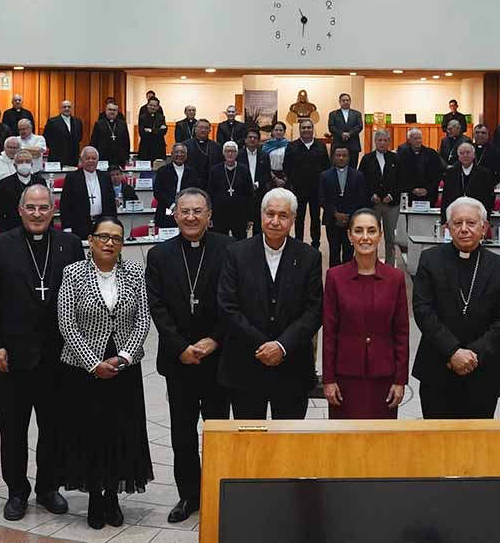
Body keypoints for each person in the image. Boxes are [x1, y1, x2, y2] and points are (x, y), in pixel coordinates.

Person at [0, 184, 83, 521]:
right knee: (13, 429)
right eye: (31, 208)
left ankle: (49, 487)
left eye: (43, 208)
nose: (37, 214)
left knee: (54, 428)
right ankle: (16, 491)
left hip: (58, 358)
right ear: (20, 210)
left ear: (53, 211)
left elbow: (81, 301)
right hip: (10, 358)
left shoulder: (69, 245)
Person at [57, 216, 153, 530]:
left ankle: (112, 494)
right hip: (84, 372)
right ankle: (95, 497)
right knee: (90, 433)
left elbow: (143, 321)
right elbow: (66, 324)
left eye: (116, 238)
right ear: (91, 239)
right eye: (103, 236)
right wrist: (93, 363)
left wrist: (124, 357)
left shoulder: (136, 273)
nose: (109, 243)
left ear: (123, 244)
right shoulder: (73, 273)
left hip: (124, 370)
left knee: (120, 433)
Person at [145, 188, 233, 524]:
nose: (191, 217)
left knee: (217, 429)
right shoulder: (159, 255)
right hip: (178, 360)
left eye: (198, 211)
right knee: (182, 432)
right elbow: (157, 306)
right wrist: (180, 346)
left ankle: (217, 490)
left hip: (217, 358)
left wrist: (213, 340)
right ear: (175, 214)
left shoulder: (228, 249)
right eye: (185, 211)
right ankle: (188, 495)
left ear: (210, 215)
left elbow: (232, 302)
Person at [217, 188, 323, 419]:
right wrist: (265, 345)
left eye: (283, 215)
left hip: (292, 366)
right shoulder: (236, 253)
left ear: (294, 219)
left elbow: (314, 310)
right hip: (245, 364)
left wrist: (282, 346)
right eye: (270, 214)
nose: (275, 221)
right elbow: (227, 307)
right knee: (250, 444)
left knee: (288, 446)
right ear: (261, 214)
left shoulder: (309, 257)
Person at [413, 196, 500, 418]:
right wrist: (452, 351)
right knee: (437, 446)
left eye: (471, 223)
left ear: (484, 227)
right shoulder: (430, 260)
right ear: (448, 227)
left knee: (477, 449)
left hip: (483, 372)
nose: (464, 229)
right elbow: (423, 311)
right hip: (437, 369)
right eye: (457, 223)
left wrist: (472, 355)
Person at [323, 208, 409, 419]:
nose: (365, 237)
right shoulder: (335, 277)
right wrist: (328, 379)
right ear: (350, 236)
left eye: (371, 231)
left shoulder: (395, 278)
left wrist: (400, 380)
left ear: (380, 235)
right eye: (359, 231)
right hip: (345, 377)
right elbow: (329, 332)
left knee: (381, 445)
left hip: (384, 377)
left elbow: (401, 332)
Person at [284, 119, 330, 248]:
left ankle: (315, 244)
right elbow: (286, 167)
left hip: (316, 189)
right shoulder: (292, 146)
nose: (306, 130)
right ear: (300, 130)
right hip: (299, 189)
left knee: (316, 219)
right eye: (303, 128)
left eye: (309, 127)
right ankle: (299, 244)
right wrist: (291, 185)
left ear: (313, 129)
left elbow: (327, 167)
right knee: (299, 219)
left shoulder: (320, 146)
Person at [359, 130, 402, 266]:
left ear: (389, 142)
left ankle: (389, 266)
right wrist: (371, 195)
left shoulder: (395, 158)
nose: (382, 143)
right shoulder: (367, 159)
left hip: (391, 204)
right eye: (380, 140)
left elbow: (401, 180)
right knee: (372, 235)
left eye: (385, 140)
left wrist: (392, 195)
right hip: (373, 204)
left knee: (390, 238)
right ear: (375, 141)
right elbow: (361, 180)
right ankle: (372, 263)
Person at [319, 146, 368, 265]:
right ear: (333, 157)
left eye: (344, 155)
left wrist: (348, 216)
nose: (341, 158)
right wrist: (335, 213)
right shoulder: (325, 175)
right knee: (334, 251)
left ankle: (348, 281)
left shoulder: (358, 175)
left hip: (351, 221)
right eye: (338, 155)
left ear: (349, 158)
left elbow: (361, 198)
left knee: (349, 252)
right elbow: (322, 198)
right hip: (332, 219)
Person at [60, 146, 117, 237]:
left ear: (97, 161)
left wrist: (113, 224)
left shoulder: (105, 177)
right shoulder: (72, 178)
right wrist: (67, 227)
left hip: (102, 225)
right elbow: (65, 204)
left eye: (94, 158)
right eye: (87, 158)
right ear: (82, 160)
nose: (91, 161)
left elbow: (111, 204)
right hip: (79, 226)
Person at [441, 143, 496, 224]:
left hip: (476, 215)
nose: (465, 155)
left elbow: (489, 198)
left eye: (468, 152)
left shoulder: (484, 173)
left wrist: (485, 219)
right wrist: (444, 221)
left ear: (473, 155)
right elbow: (445, 198)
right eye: (462, 153)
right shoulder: (451, 173)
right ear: (458, 157)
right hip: (456, 215)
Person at [210, 141, 255, 240]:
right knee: (219, 242)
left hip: (240, 215)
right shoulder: (215, 170)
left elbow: (250, 194)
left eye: (233, 151)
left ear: (236, 153)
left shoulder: (244, 170)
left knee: (240, 244)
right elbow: (210, 194)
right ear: (223, 153)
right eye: (227, 151)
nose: (230, 154)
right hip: (220, 215)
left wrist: (250, 217)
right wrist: (210, 215)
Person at [0, 151, 45, 233]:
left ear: (31, 165)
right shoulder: (5, 183)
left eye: (27, 161)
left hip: (35, 224)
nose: (24, 164)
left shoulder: (40, 181)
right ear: (14, 165)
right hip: (12, 227)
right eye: (20, 162)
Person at [154, 143, 202, 229]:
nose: (179, 155)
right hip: (166, 210)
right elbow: (158, 192)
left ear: (186, 155)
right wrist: (172, 205)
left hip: (186, 212)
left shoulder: (192, 172)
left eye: (182, 152)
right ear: (171, 154)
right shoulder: (162, 171)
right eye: (177, 152)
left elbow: (194, 192)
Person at [239, 128, 274, 235]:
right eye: (250, 137)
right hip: (243, 194)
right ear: (245, 140)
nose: (252, 139)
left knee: (259, 224)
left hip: (259, 193)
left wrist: (257, 184)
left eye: (255, 138)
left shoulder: (264, 155)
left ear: (258, 140)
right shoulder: (238, 155)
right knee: (241, 224)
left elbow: (267, 174)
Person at [397, 128, 445, 205]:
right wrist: (412, 189)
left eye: (419, 138)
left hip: (429, 194)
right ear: (409, 140)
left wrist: (427, 189)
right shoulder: (402, 155)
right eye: (415, 138)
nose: (418, 141)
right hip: (410, 194)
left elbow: (438, 174)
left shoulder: (431, 153)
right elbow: (400, 175)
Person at [44, 100, 84, 167]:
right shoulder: (52, 122)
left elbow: (79, 137)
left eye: (69, 107)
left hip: (73, 158)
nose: (67, 109)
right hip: (57, 157)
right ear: (60, 109)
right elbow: (47, 138)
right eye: (64, 107)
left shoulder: (78, 122)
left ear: (72, 109)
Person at [327, 93, 363, 167]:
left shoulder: (357, 114)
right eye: (343, 100)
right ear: (339, 102)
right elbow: (331, 127)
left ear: (350, 101)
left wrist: (349, 134)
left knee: (352, 169)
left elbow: (359, 126)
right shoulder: (333, 114)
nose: (346, 102)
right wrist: (341, 134)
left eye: (347, 100)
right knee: (336, 168)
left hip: (353, 146)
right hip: (338, 145)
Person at [92, 102, 131, 168]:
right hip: (103, 158)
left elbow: (126, 142)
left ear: (117, 112)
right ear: (106, 111)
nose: (112, 112)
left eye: (114, 110)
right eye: (110, 109)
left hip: (119, 158)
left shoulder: (122, 124)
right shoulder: (99, 124)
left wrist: (126, 157)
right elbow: (94, 142)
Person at [137, 92, 168, 161]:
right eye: (150, 105)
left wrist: (151, 131)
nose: (152, 107)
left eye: (155, 106)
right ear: (147, 105)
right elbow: (142, 133)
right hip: (146, 148)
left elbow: (164, 131)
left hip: (159, 147)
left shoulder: (161, 117)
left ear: (158, 107)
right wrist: (157, 131)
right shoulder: (142, 117)